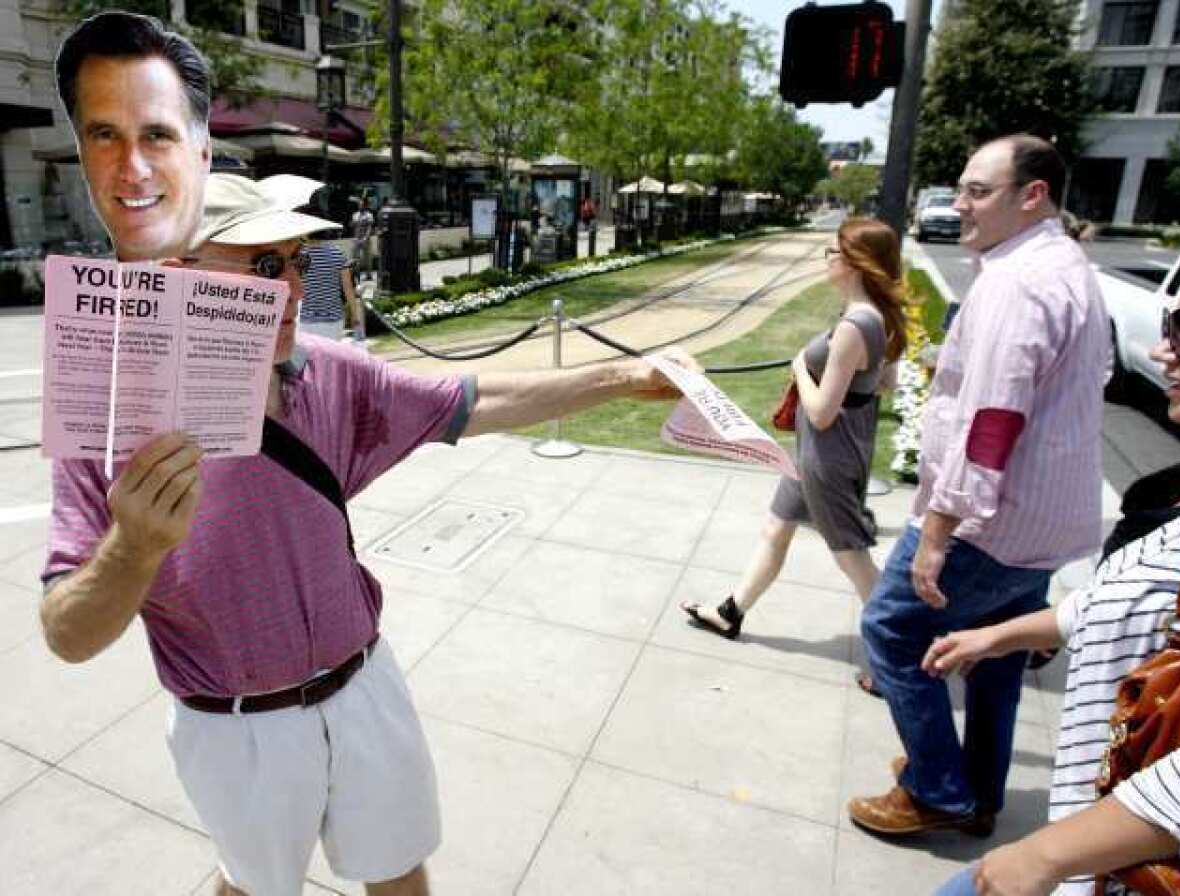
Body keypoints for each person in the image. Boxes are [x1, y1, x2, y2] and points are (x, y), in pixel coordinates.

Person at [43, 14, 694, 896]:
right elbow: (68, 634)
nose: (287, 289)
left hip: (362, 688)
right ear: (183, 275)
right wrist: (134, 547)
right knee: (251, 884)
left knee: (399, 877)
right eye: (258, 266)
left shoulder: (330, 375)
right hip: (236, 729)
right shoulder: (112, 419)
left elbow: (474, 400)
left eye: (292, 263)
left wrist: (618, 378)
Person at [846, 133, 1108, 839]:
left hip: (991, 519)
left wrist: (937, 529)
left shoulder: (1017, 282)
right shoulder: (1066, 266)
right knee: (996, 654)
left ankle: (938, 789)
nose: (958, 204)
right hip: (1046, 519)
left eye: (977, 191)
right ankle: (980, 793)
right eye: (960, 188)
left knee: (892, 629)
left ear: (1034, 195)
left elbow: (993, 418)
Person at [931, 257, 1180, 896]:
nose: (1165, 349)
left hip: (1124, 866)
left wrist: (1049, 855)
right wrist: (993, 638)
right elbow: (1119, 602)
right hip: (1096, 851)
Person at [679, 217, 907, 696]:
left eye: (832, 250)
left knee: (855, 562)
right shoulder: (881, 317)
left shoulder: (855, 325)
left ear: (853, 261)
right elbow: (884, 384)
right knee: (775, 530)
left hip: (826, 456)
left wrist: (801, 367)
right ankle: (730, 613)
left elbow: (822, 412)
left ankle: (902, 660)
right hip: (822, 453)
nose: (826, 258)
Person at [299, 231, 365, 345]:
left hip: (307, 321)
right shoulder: (337, 253)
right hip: (333, 320)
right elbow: (348, 288)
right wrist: (355, 316)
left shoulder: (299, 257)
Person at [350, 196, 374, 283]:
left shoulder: (369, 215)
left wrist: (366, 238)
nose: (360, 205)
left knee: (367, 257)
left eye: (362, 204)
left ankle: (368, 275)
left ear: (365, 205)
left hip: (365, 238)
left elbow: (369, 227)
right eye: (359, 204)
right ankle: (356, 274)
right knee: (355, 257)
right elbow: (353, 226)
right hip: (356, 238)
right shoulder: (355, 215)